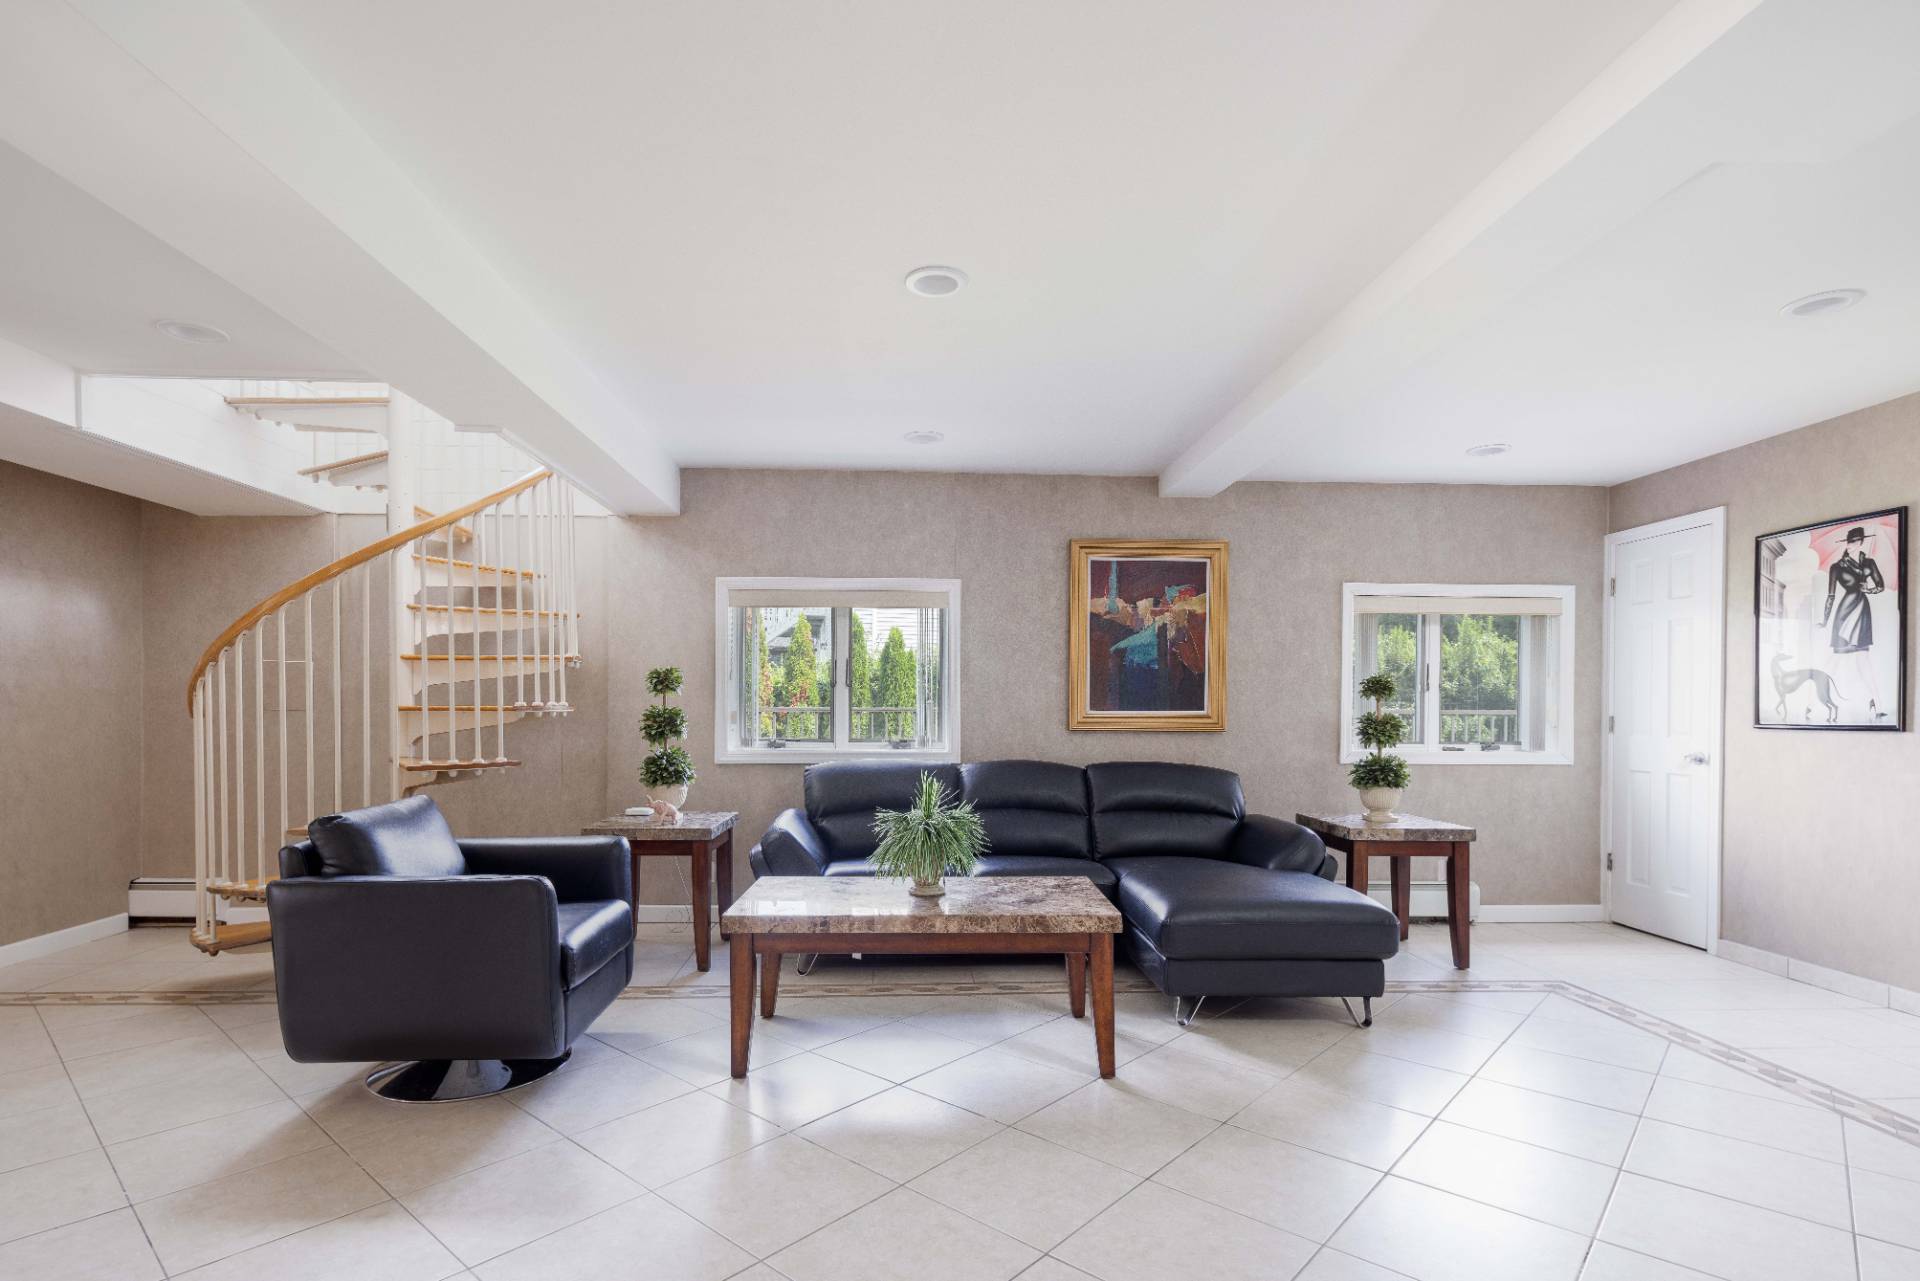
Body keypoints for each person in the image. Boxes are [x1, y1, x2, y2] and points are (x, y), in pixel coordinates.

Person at [1821, 525, 1888, 719]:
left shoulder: (1869, 563)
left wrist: (1869, 590)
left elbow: (1880, 585)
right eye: (1848, 542)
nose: (1850, 545)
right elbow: (1831, 596)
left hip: (1862, 610)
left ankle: (1877, 702)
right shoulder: (1837, 566)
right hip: (1845, 612)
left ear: (1860, 542)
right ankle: (1814, 700)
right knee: (1835, 658)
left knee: (1863, 659)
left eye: (1853, 542)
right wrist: (1825, 621)